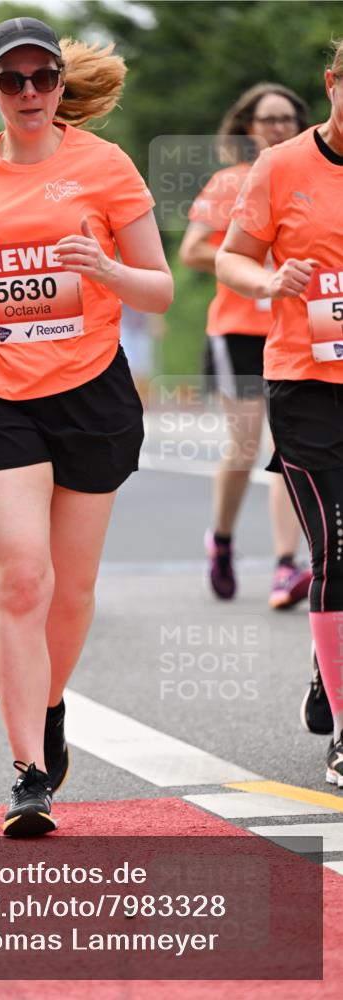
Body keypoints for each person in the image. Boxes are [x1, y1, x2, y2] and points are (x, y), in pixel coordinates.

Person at [0, 17, 172, 836]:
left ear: (61, 86)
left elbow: (158, 289)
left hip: (88, 392)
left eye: (42, 78)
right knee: (21, 578)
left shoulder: (105, 167)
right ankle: (29, 773)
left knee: (71, 587)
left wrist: (107, 270)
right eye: (11, 79)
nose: (28, 92)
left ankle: (49, 702)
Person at [217, 39, 343, 787]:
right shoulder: (282, 166)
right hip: (305, 380)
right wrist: (269, 280)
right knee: (336, 547)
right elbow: (230, 256)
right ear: (332, 83)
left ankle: (327, 669)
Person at [180, 83, 312, 608]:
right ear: (247, 128)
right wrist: (254, 266)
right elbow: (191, 251)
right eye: (267, 119)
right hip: (236, 330)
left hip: (297, 330)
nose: (277, 127)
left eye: (287, 119)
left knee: (289, 446)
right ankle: (223, 539)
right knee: (245, 445)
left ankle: (285, 566)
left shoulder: (311, 178)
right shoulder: (230, 182)